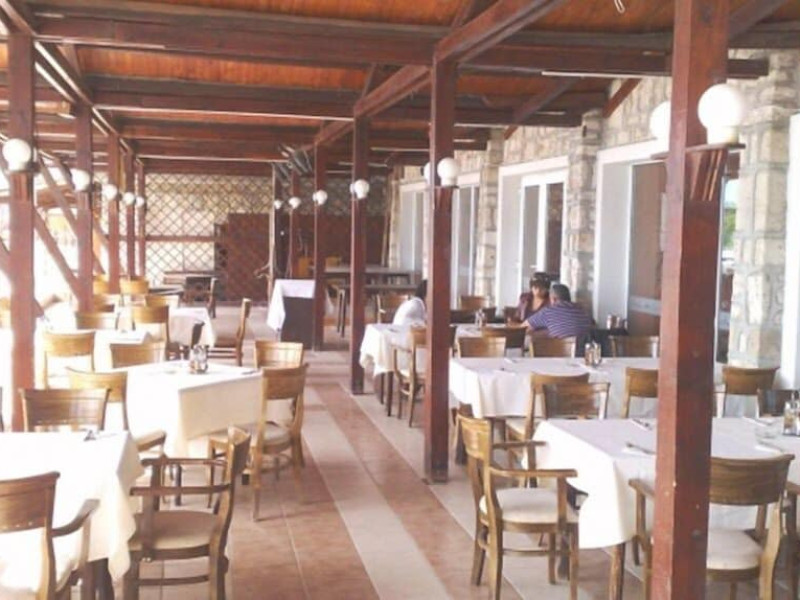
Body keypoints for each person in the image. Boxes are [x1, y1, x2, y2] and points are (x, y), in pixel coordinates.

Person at [525, 284, 593, 339]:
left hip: (558, 350)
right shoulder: (582, 310)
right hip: (582, 350)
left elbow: (524, 326)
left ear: (553, 299)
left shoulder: (549, 311)